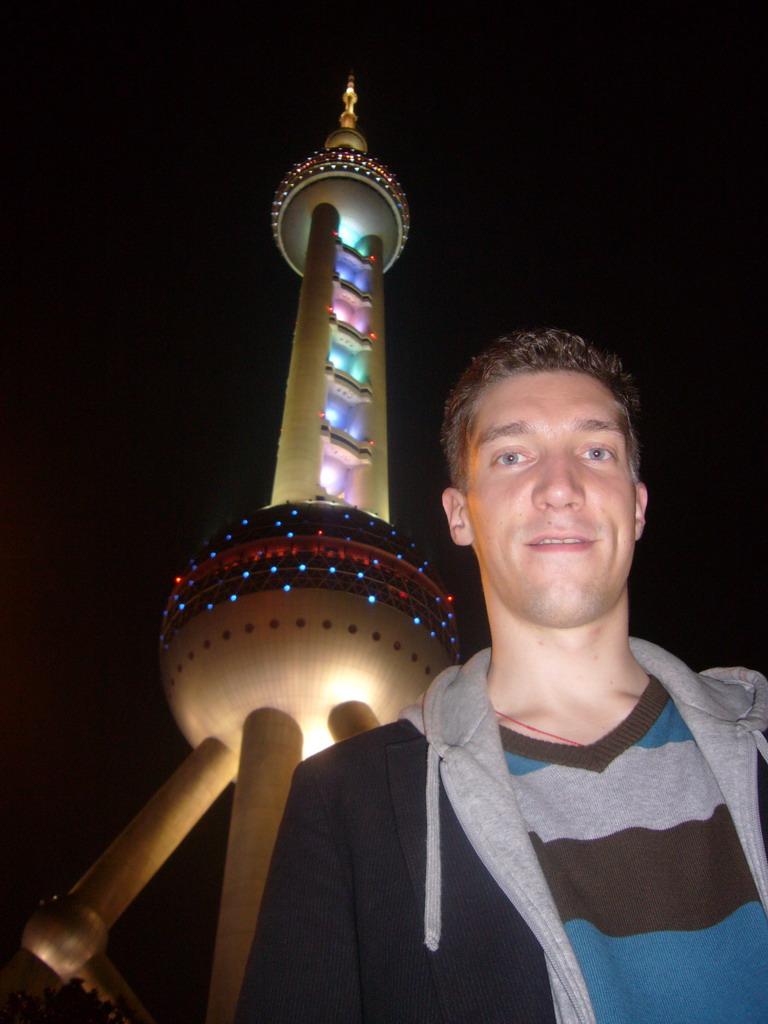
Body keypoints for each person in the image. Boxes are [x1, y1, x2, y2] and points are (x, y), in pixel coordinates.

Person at [235, 328, 768, 1023]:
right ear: (461, 515)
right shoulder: (348, 806)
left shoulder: (758, 750)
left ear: (636, 506)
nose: (560, 488)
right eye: (513, 456)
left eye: (595, 450)